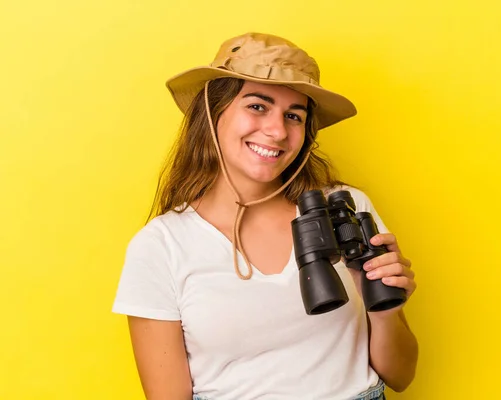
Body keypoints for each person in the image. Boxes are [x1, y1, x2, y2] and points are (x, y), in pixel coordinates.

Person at [112, 32, 418, 400]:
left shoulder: (346, 208)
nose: (277, 131)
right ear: (212, 112)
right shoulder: (161, 246)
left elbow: (401, 376)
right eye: (257, 106)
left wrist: (383, 309)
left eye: (294, 116)